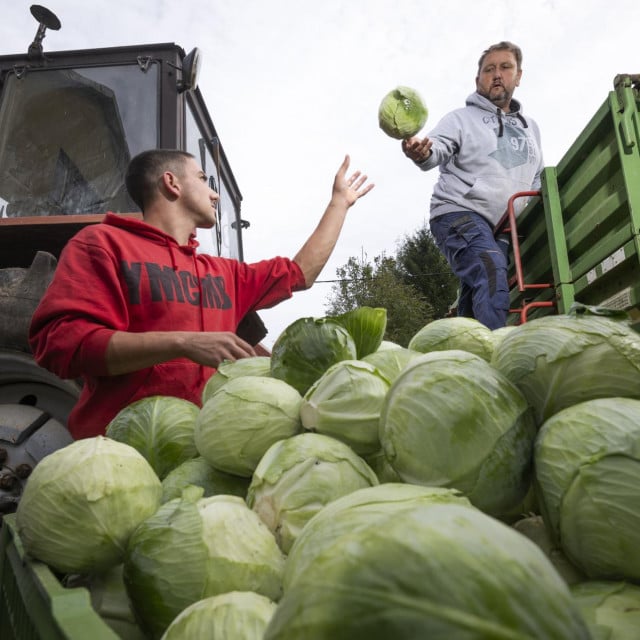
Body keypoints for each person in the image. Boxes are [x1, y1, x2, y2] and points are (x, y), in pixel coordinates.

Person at [29, 149, 374, 439]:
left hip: (203, 450)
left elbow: (300, 273)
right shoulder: (101, 244)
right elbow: (61, 344)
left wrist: (339, 205)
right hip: (121, 450)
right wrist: (182, 343)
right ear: (171, 182)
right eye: (203, 179)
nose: (214, 194)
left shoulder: (222, 272)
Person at [402, 41, 543, 329]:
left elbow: (537, 178)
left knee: (475, 297)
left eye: (505, 67)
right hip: (458, 212)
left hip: (505, 226)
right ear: (477, 79)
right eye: (489, 69)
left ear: (518, 76)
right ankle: (495, 359)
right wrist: (423, 152)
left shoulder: (532, 129)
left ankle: (464, 358)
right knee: (491, 269)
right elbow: (435, 149)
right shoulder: (460, 119)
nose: (497, 74)